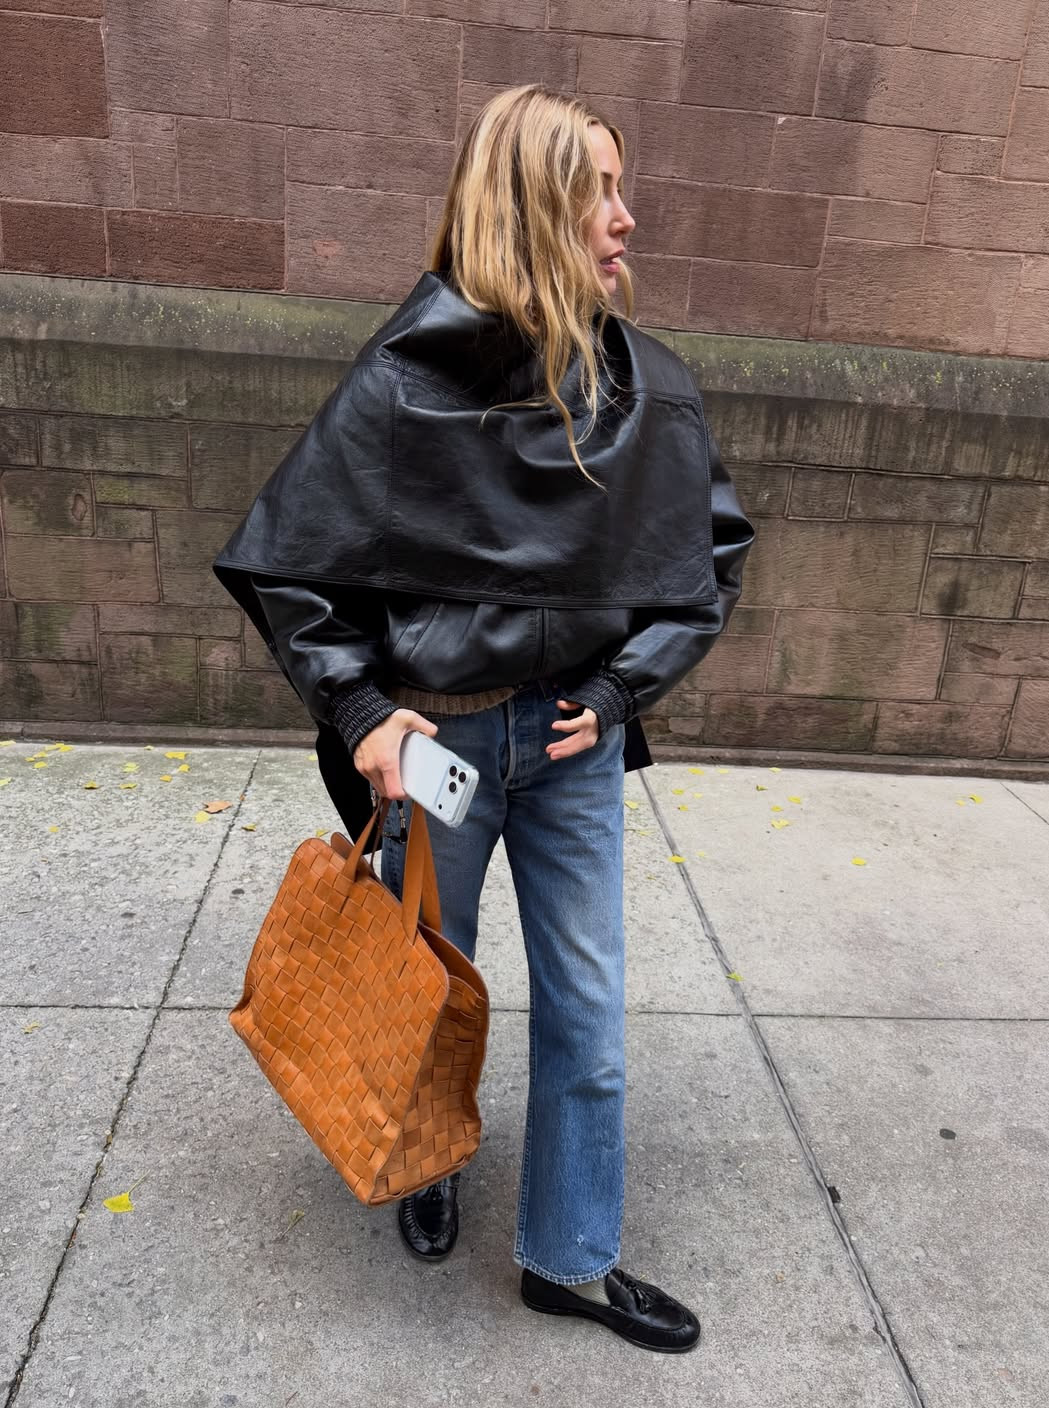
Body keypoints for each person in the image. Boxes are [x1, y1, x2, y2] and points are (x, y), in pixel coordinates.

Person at [213, 83, 753, 1353]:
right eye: (597, 192)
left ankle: (571, 1257)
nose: (626, 217)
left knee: (590, 1016)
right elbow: (294, 559)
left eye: (621, 189)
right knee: (420, 988)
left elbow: (708, 558)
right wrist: (361, 709)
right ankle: (428, 1157)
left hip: (571, 749)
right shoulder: (404, 380)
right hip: (441, 743)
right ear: (528, 207)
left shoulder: (646, 390)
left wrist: (620, 690)